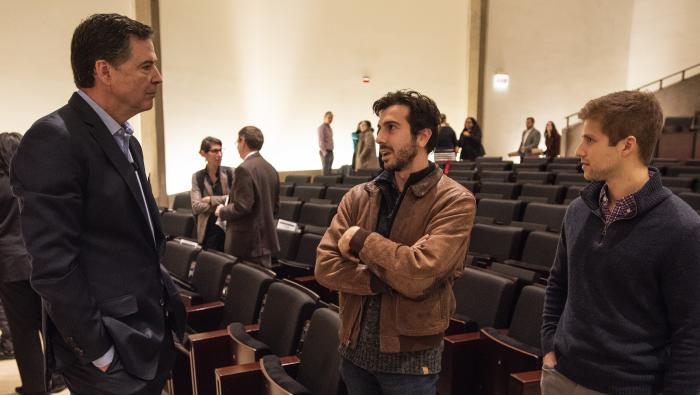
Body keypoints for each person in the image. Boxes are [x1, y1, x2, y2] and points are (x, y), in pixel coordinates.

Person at [10, 14, 186, 394]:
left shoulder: (127, 139)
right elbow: (53, 269)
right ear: (104, 71)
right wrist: (102, 353)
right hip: (109, 356)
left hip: (145, 337)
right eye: (146, 65)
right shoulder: (54, 139)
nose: (158, 77)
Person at [315, 90, 476, 394]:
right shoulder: (359, 196)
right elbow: (325, 267)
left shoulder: (454, 201)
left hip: (410, 363)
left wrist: (359, 239)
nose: (379, 138)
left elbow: (419, 275)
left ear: (422, 136)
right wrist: (386, 279)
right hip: (354, 353)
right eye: (379, 128)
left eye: (391, 128)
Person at [541, 91, 700, 394]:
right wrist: (550, 342)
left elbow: (691, 332)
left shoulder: (682, 228)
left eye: (590, 140)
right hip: (560, 375)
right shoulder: (578, 211)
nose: (578, 150)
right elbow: (558, 283)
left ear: (627, 145)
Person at [1, 132, 66, 395]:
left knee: (23, 331)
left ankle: (35, 387)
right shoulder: (35, 179)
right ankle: (59, 376)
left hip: (9, 265)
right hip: (41, 260)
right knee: (49, 324)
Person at [215, 126, 280, 268]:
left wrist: (222, 211)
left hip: (247, 245)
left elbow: (242, 206)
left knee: (246, 287)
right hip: (264, 242)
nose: (237, 146)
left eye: (237, 142)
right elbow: (275, 207)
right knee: (260, 286)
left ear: (243, 141)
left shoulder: (244, 169)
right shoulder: (271, 169)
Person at [190, 136, 234, 251]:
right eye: (214, 151)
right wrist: (221, 205)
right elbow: (196, 207)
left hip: (228, 227)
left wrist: (210, 199)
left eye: (220, 150)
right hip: (208, 229)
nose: (219, 154)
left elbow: (234, 199)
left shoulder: (230, 173)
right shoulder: (197, 177)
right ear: (203, 153)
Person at [318, 111, 334, 175]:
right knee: (325, 170)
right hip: (325, 151)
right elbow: (321, 141)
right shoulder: (321, 128)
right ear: (324, 118)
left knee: (329, 169)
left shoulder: (329, 128)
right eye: (329, 118)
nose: (330, 119)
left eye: (331, 118)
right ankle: (325, 183)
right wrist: (324, 152)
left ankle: (330, 183)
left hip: (330, 150)